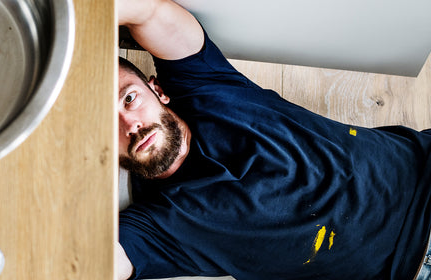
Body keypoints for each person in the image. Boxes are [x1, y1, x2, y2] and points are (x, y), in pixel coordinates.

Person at [116, 0, 431, 279]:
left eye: (129, 98)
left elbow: (148, 11)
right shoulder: (160, 225)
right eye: (105, 124)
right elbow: (100, 262)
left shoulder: (204, 85)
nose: (130, 124)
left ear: (157, 91)